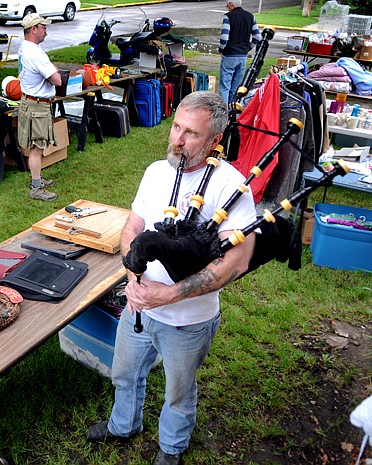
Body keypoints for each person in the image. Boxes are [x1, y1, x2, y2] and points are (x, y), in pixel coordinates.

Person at [86, 91, 257, 465]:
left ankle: (171, 448)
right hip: (137, 306)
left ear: (215, 141)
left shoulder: (231, 186)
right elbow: (133, 226)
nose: (176, 139)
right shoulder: (155, 172)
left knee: (179, 393)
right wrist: (133, 273)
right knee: (124, 374)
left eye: (191, 133)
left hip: (187, 321)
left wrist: (171, 294)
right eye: (176, 126)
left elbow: (237, 262)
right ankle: (123, 424)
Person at [17, 12, 62, 201]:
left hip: (29, 101)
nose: (46, 32)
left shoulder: (24, 48)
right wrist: (55, 71)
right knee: (37, 147)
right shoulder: (34, 53)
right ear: (33, 29)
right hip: (37, 106)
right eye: (43, 28)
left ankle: (38, 178)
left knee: (39, 144)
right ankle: (36, 187)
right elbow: (57, 80)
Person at [218, 0, 262, 104]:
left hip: (229, 55)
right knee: (236, 87)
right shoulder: (250, 16)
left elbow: (224, 37)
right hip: (242, 56)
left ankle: (224, 112)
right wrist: (247, 48)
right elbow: (257, 36)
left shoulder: (228, 16)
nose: (227, 7)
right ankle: (232, 110)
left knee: (225, 87)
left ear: (230, 4)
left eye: (227, 5)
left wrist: (220, 49)